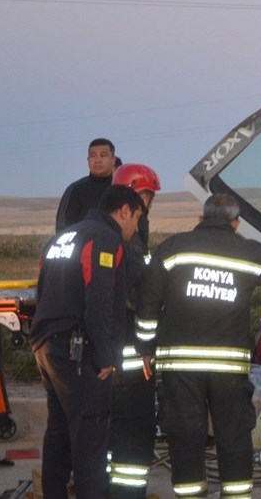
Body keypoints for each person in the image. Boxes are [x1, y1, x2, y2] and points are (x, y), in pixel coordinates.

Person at [137, 193, 261, 499]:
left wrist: (146, 348)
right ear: (235, 223)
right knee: (233, 436)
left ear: (200, 219)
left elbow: (148, 302)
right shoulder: (247, 251)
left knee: (186, 437)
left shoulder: (172, 248)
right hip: (227, 367)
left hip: (179, 365)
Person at [30, 185, 145, 499]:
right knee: (90, 437)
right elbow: (99, 299)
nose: (136, 228)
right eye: (137, 218)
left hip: (46, 344)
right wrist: (107, 356)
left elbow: (42, 292)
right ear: (124, 211)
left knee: (59, 432)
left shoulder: (62, 238)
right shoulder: (104, 238)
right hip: (77, 350)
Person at [106, 164, 162, 498]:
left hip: (110, 354)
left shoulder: (113, 232)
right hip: (129, 358)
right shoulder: (127, 241)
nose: (149, 205)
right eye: (146, 197)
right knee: (133, 432)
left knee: (110, 433)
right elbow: (138, 296)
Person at [55, 138, 117, 231]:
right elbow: (62, 229)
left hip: (117, 245)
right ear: (88, 160)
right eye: (93, 156)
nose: (98, 160)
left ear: (113, 160)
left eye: (103, 155)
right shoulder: (75, 190)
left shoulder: (121, 190)